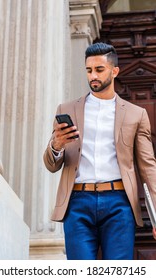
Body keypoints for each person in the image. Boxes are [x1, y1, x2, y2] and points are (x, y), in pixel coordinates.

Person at [43, 42, 156, 260]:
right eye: (89, 70)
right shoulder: (66, 109)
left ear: (114, 71)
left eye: (99, 70)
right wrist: (56, 145)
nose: (93, 76)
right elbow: (51, 164)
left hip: (119, 204)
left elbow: (148, 167)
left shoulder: (136, 114)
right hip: (77, 203)